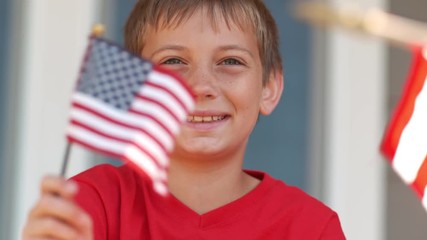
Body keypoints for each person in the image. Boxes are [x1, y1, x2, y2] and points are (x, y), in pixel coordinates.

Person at [22, 0, 346, 239]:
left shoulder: (310, 227)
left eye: (230, 61)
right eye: (174, 61)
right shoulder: (91, 206)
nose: (201, 86)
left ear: (269, 89)